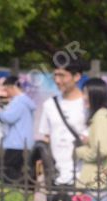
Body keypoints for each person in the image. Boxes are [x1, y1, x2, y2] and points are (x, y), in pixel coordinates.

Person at [37, 57, 87, 187]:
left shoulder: (87, 105)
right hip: (56, 175)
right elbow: (46, 137)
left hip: (83, 175)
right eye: (55, 76)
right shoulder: (49, 104)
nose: (57, 81)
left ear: (76, 76)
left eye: (62, 76)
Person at [74, 78, 107, 201]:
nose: (83, 97)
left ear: (95, 95)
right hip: (102, 183)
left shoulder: (100, 118)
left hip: (96, 184)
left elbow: (101, 151)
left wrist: (79, 151)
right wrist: (90, 141)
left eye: (85, 93)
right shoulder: (106, 116)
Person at [0, 76, 35, 184]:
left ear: (13, 87)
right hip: (23, 143)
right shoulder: (25, 102)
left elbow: (9, 118)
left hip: (15, 143)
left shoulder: (19, 102)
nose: (7, 93)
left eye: (7, 89)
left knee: (4, 170)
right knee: (15, 170)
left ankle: (10, 190)